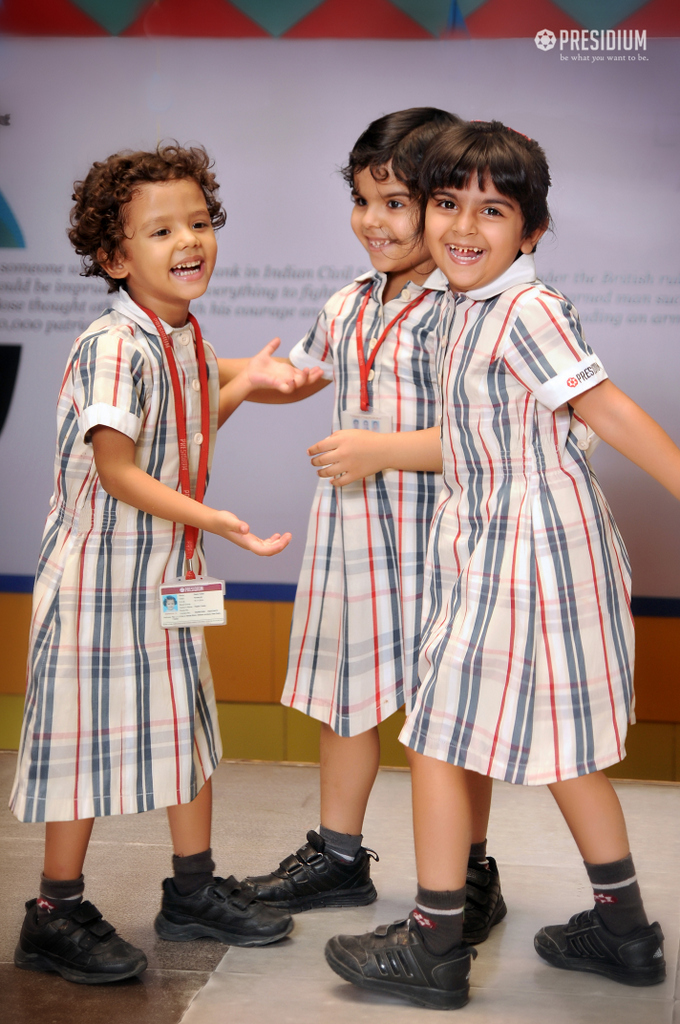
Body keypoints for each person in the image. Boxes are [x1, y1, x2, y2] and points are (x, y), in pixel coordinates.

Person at [325, 119, 677, 1009]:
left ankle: (435, 942)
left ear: (533, 232)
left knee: (438, 734)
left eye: (492, 210)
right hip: (500, 539)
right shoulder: (462, 305)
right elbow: (474, 436)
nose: (462, 226)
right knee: (565, 750)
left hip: (529, 548)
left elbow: (604, 407)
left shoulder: (526, 309)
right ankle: (625, 930)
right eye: (447, 203)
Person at [9, 144, 320, 984]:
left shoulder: (180, 333)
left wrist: (251, 381)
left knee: (187, 720)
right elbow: (118, 470)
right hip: (99, 582)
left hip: (167, 572)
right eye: (161, 230)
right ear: (114, 258)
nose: (189, 240)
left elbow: (187, 419)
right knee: (81, 742)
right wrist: (212, 518)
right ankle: (53, 911)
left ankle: (191, 888)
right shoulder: (113, 345)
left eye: (199, 222)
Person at [233, 109, 506, 947]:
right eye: (362, 201)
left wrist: (380, 449)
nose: (374, 222)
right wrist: (230, 372)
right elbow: (302, 374)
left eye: (396, 203)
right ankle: (339, 857)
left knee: (447, 716)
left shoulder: (461, 309)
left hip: (438, 544)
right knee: (341, 697)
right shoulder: (349, 300)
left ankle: (469, 872)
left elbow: (487, 436)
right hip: (353, 541)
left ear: (441, 205)